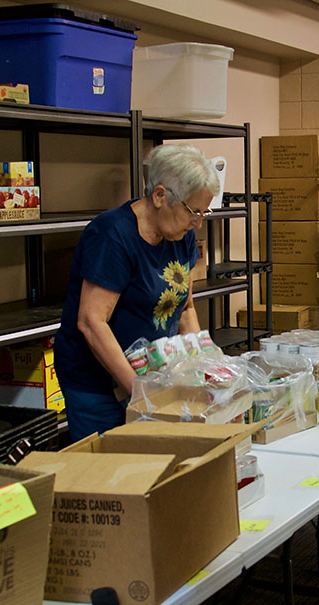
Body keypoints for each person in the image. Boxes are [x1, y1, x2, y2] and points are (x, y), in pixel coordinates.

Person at [53, 143, 220, 441]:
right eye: (193, 211)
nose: (198, 222)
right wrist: (140, 392)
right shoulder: (112, 236)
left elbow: (186, 310)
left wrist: (205, 367)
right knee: (110, 473)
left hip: (151, 374)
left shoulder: (181, 235)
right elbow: (91, 322)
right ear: (160, 195)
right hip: (98, 383)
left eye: (203, 213)